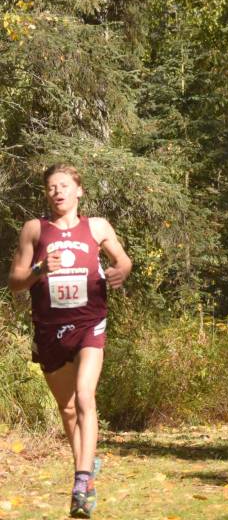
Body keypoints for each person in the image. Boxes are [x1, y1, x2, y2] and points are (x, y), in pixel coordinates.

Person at [9, 164, 132, 518]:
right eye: (51, 187)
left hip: (90, 324)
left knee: (84, 397)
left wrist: (122, 268)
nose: (57, 192)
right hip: (49, 330)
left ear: (79, 191)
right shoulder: (35, 230)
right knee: (67, 409)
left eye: (64, 185)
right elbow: (16, 281)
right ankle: (88, 464)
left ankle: (81, 481)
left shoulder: (96, 226)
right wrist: (39, 269)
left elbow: (122, 259)